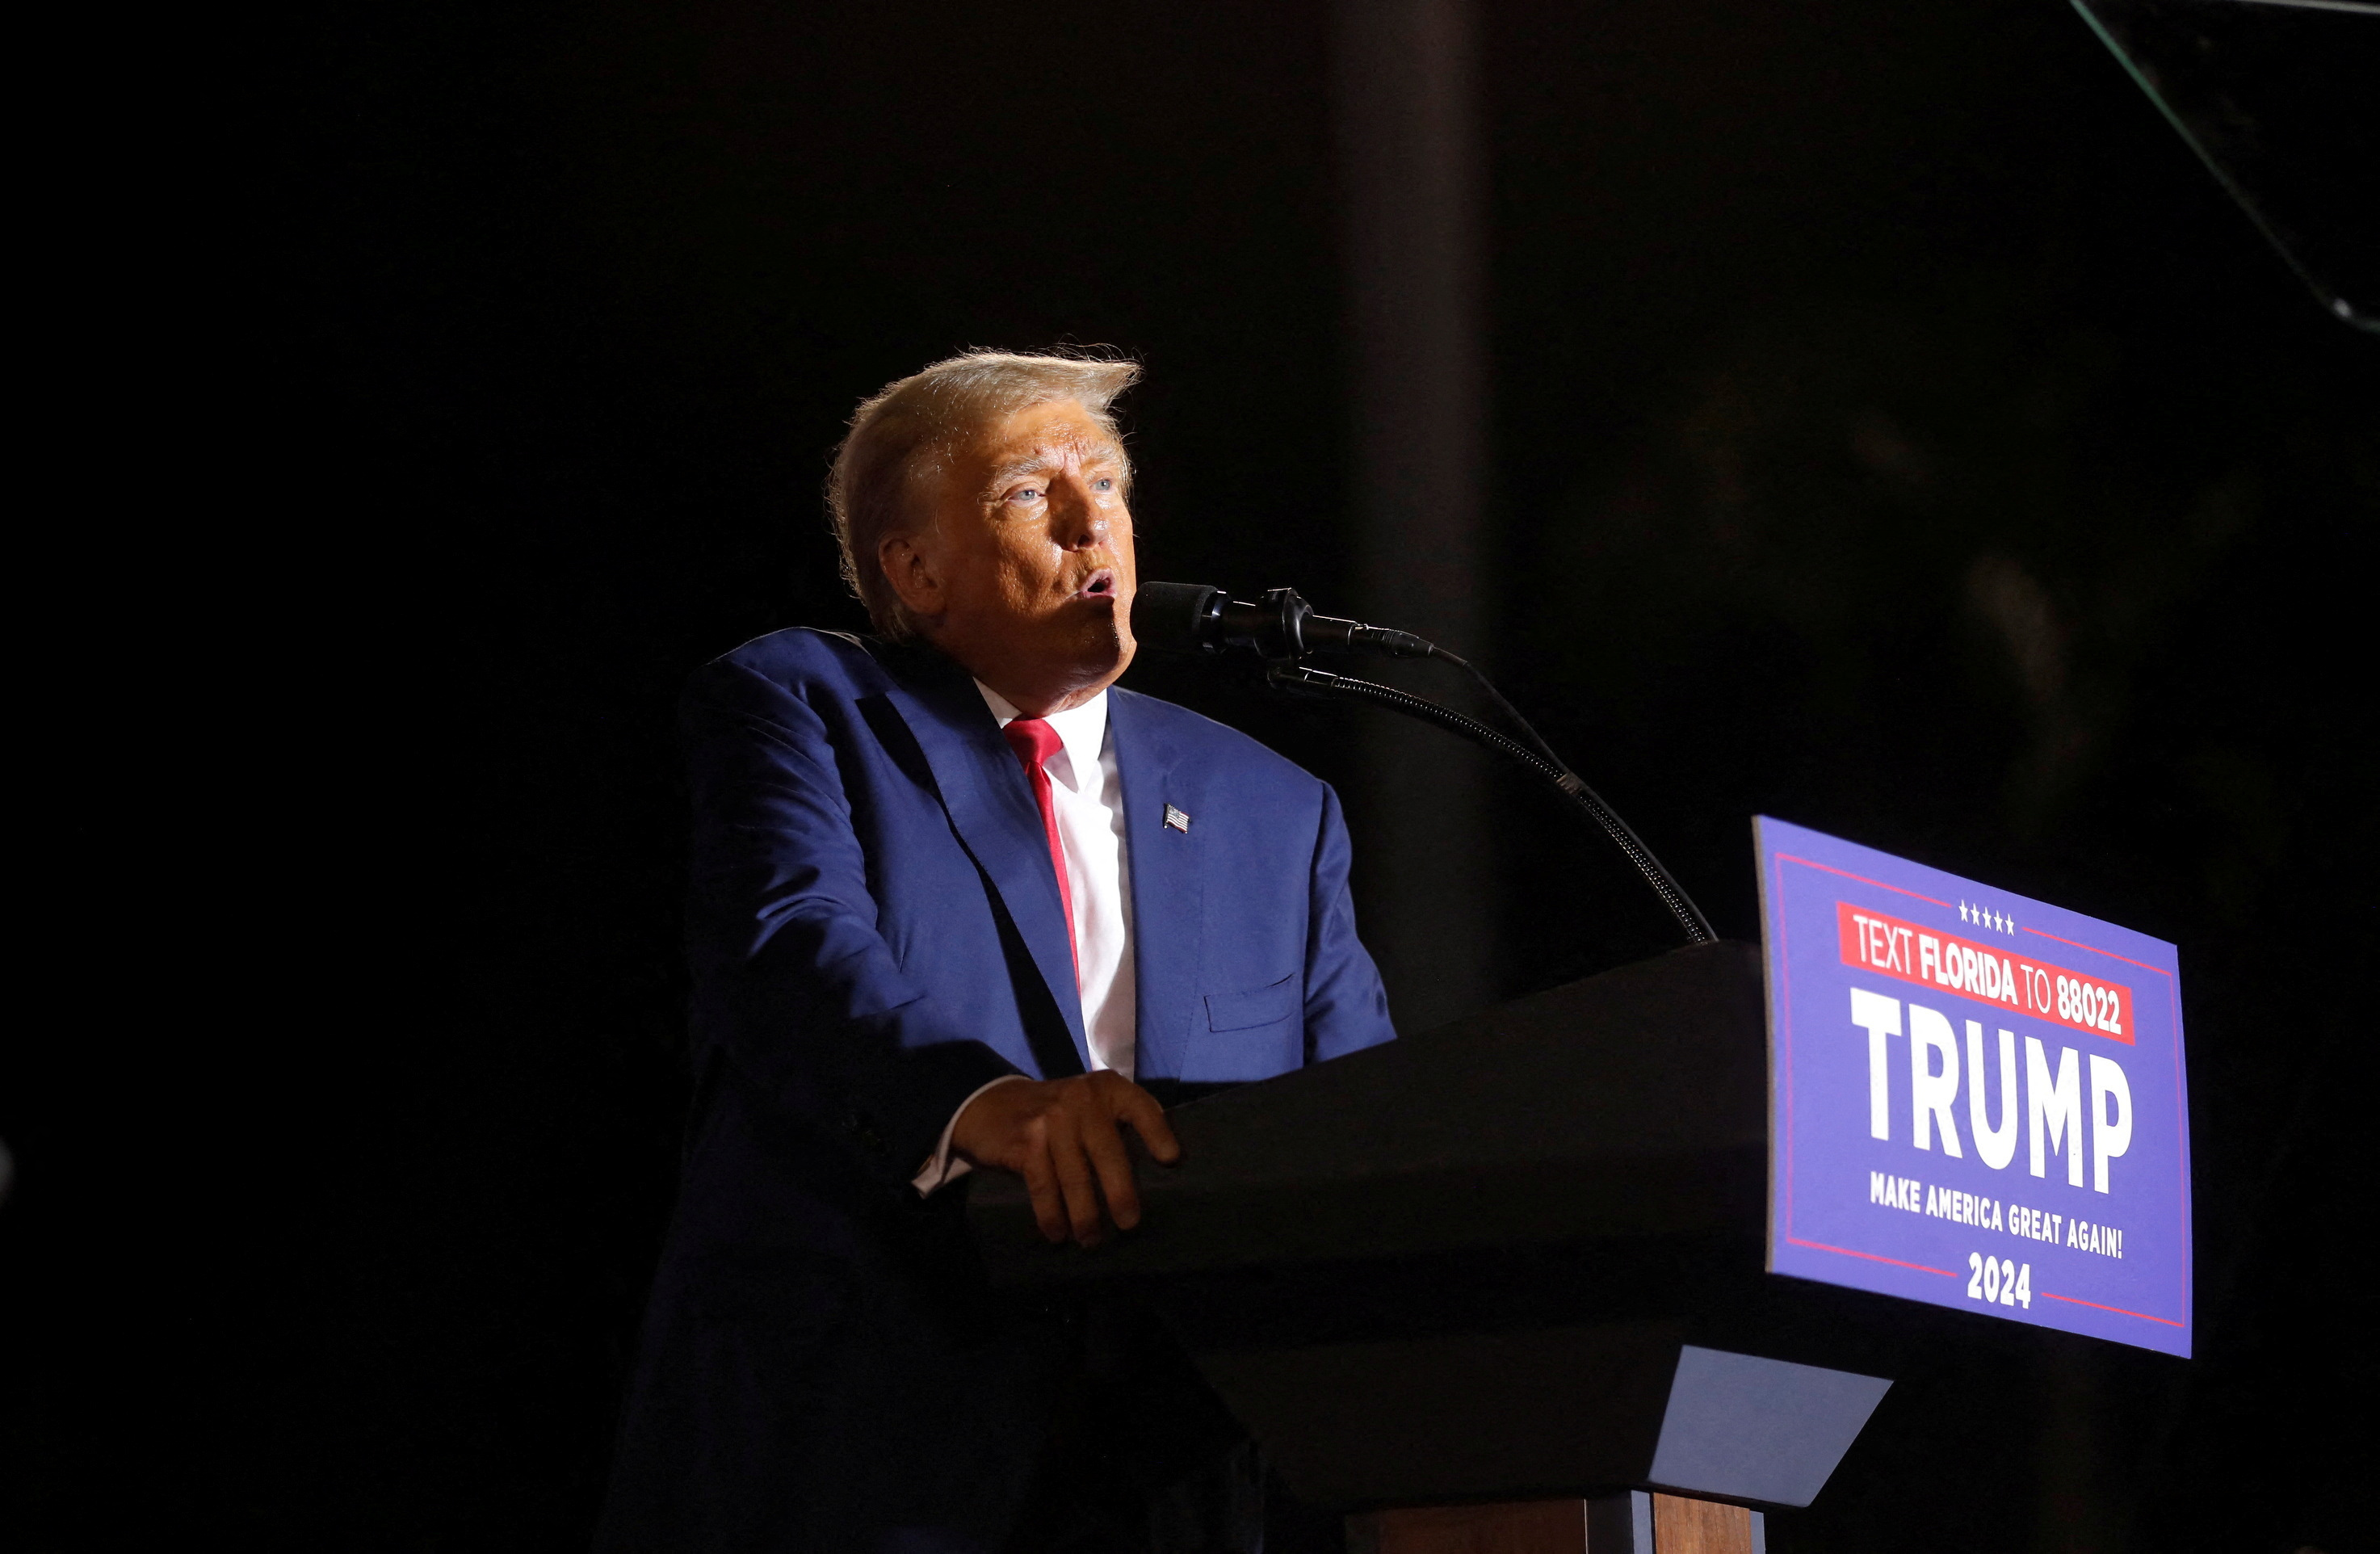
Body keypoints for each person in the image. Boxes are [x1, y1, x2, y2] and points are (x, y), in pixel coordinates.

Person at [594, 351, 1396, 1552]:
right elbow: (793, 957)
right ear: (913, 571)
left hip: (1175, 1479)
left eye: (1108, 487)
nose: (1092, 524)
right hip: (862, 1464)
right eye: (1029, 492)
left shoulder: (1275, 810)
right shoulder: (809, 707)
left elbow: (1364, 1116)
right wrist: (990, 1105)